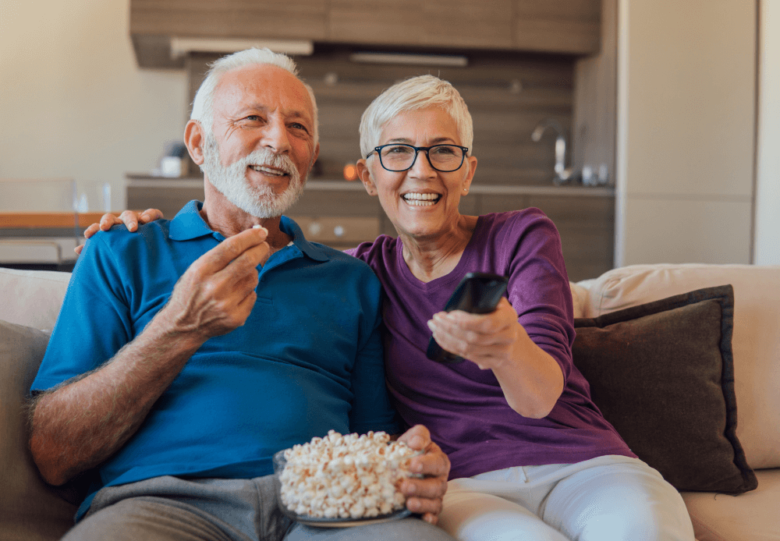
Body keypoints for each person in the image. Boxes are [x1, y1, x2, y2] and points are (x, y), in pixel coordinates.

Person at [90, 68, 697, 540]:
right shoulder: (358, 273)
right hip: (465, 484)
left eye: (442, 151)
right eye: (398, 152)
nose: (421, 171)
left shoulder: (519, 235)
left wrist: (507, 346)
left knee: (644, 527)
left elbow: (539, 398)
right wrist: (139, 228)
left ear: (467, 170)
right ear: (369, 175)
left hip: (581, 462)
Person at [28, 48, 453, 541]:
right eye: (253, 118)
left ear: (311, 157)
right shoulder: (121, 252)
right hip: (162, 508)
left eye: (298, 128)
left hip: (324, 509)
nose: (279, 140)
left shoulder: (352, 280)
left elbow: (375, 439)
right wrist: (178, 328)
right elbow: (53, 453)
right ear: (198, 142)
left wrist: (413, 465)